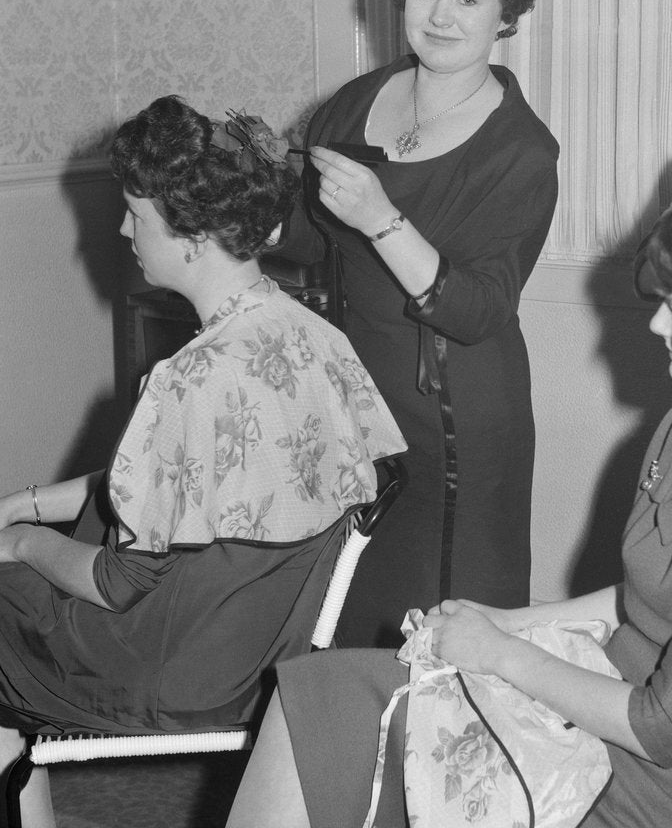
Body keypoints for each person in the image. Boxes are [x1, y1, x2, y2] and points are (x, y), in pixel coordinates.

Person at [225, 179, 672, 828]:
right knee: (318, 697)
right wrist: (506, 621)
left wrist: (501, 654)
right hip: (593, 706)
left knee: (349, 732)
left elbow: (661, 730)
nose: (657, 321)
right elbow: (643, 600)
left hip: (643, 788)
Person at [0, 96, 405, 828]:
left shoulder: (187, 379)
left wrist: (23, 543)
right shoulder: (316, 340)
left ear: (189, 239)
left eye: (137, 215)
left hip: (178, 670)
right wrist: (27, 502)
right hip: (262, 648)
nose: (123, 229)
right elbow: (191, 490)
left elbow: (118, 582)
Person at [301, 0, 559, 647]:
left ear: (506, 13)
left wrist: (382, 217)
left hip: (457, 430)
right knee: (348, 630)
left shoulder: (521, 149)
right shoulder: (352, 104)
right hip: (357, 411)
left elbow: (477, 309)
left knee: (444, 646)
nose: (441, 16)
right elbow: (314, 245)